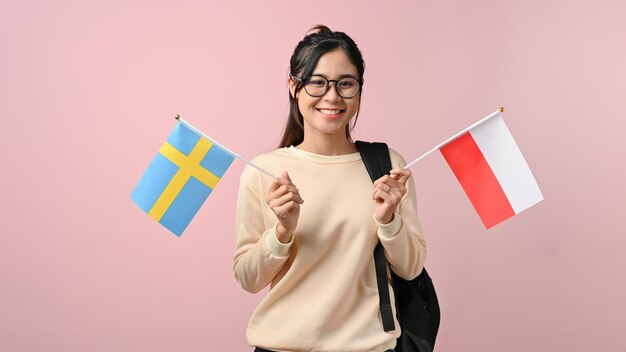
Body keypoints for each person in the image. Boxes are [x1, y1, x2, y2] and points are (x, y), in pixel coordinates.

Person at [233, 25, 427, 352]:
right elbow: (248, 278)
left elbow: (411, 267)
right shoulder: (262, 171)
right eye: (317, 83)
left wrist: (388, 220)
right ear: (294, 86)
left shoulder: (387, 165)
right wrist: (281, 232)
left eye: (346, 84)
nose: (333, 96)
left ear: (360, 90)